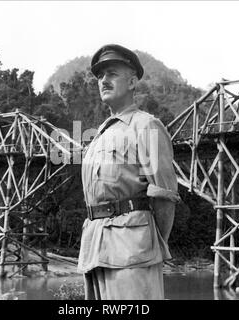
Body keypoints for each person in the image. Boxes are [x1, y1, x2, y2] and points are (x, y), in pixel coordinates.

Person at [78, 44, 180, 300]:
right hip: (95, 248)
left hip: (132, 249)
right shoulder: (99, 135)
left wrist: (150, 243)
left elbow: (164, 195)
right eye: (100, 76)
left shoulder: (147, 126)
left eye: (112, 73)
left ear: (132, 81)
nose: (104, 80)